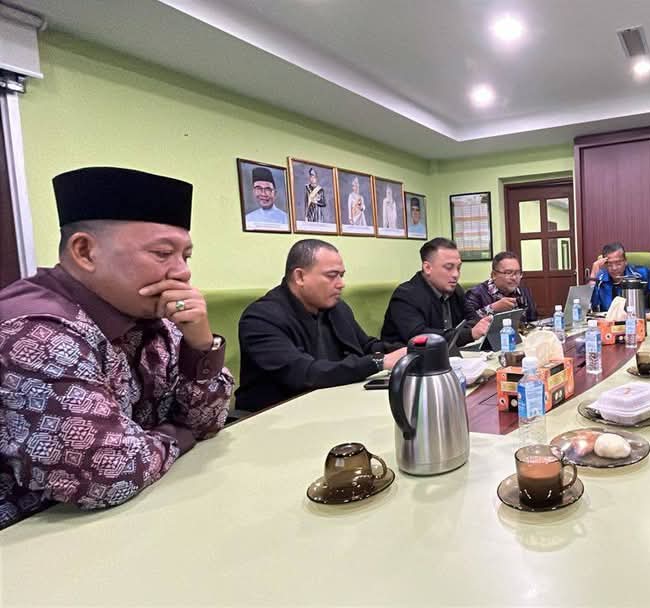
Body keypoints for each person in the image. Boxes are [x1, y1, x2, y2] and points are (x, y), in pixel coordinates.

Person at [0, 167, 233, 529]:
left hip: (130, 519)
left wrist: (200, 344)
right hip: (28, 538)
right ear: (84, 251)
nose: (182, 272)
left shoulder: (154, 316)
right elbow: (107, 474)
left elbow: (209, 420)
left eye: (185, 256)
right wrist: (178, 435)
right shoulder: (33, 330)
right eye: (162, 253)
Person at [235, 240, 407, 412]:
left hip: (334, 402)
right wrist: (379, 362)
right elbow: (305, 374)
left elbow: (366, 346)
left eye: (341, 275)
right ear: (300, 277)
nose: (341, 284)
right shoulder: (260, 318)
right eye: (332, 276)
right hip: (280, 414)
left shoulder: (337, 307)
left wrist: (410, 350)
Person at [381, 238, 493, 347]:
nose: (456, 274)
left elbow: (473, 319)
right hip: (409, 357)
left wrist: (459, 334)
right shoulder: (405, 295)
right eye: (449, 267)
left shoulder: (455, 290)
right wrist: (468, 334)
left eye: (458, 268)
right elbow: (419, 337)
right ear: (427, 268)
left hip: (449, 355)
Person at [588, 242, 650, 310]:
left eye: (618, 263)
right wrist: (593, 276)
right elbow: (590, 307)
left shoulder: (641, 274)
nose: (614, 268)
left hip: (637, 322)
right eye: (609, 264)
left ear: (625, 261)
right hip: (609, 326)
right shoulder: (599, 279)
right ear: (604, 264)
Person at [464, 251, 538, 322]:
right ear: (494, 275)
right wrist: (493, 308)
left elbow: (532, 319)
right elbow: (469, 322)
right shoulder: (475, 294)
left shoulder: (524, 291)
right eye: (508, 273)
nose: (514, 278)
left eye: (517, 273)